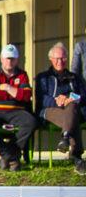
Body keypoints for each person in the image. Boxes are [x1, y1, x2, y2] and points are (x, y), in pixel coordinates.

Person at [0, 44, 36, 171]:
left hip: (16, 111)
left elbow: (26, 96)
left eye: (12, 58)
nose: (10, 61)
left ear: (17, 60)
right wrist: (16, 93)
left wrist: (8, 88)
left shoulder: (22, 74)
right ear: (1, 58)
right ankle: (10, 155)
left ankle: (8, 156)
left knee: (30, 123)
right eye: (7, 58)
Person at [35, 42, 86, 174]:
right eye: (57, 58)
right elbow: (41, 99)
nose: (60, 61)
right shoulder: (43, 77)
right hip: (50, 111)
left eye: (63, 58)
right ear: (51, 59)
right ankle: (77, 157)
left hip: (71, 109)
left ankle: (65, 137)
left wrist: (73, 98)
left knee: (73, 106)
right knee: (72, 116)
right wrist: (57, 100)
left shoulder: (74, 78)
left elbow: (83, 95)